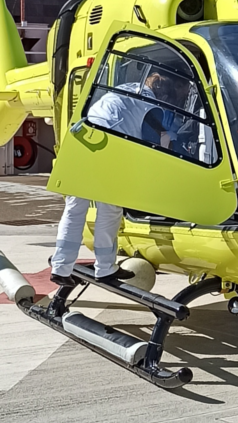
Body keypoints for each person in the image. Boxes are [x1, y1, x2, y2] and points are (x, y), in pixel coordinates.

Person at [50, 71, 189, 286]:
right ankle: (105, 268)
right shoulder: (150, 106)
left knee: (75, 208)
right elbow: (154, 145)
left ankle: (60, 267)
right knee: (110, 210)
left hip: (82, 141)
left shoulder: (126, 89)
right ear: (166, 93)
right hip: (109, 148)